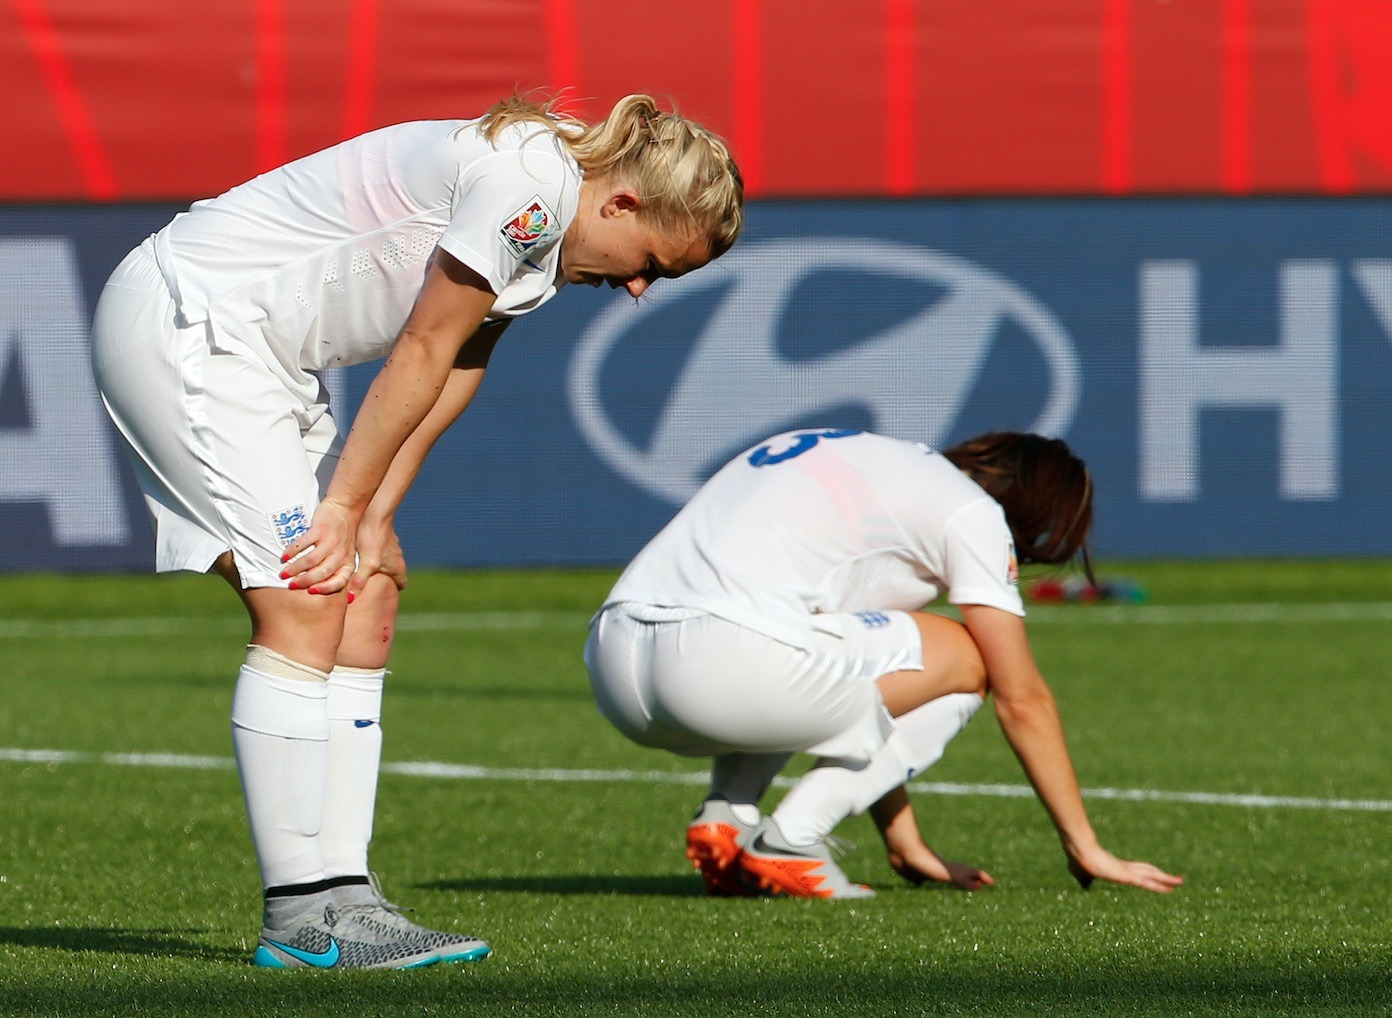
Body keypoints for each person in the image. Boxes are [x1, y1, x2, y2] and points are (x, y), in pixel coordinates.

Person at [90, 93, 744, 968]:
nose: (636, 288)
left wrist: (376, 515)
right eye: (653, 265)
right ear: (623, 204)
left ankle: (346, 899)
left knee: (365, 596)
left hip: (264, 356)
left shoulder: (548, 229)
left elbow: (461, 363)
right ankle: (298, 917)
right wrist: (340, 509)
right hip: (192, 324)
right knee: (305, 595)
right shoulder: (532, 189)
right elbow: (421, 351)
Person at [584, 428, 1183, 900]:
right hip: (726, 667)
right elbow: (1022, 697)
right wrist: (1085, 845)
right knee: (971, 656)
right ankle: (790, 842)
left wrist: (904, 842)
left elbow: (854, 690)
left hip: (614, 657)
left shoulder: (863, 456)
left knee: (808, 644)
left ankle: (728, 817)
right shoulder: (971, 513)